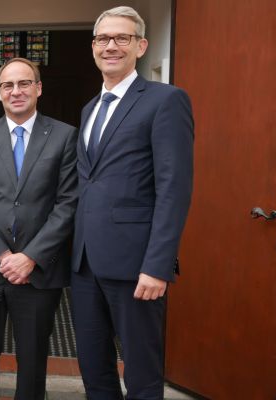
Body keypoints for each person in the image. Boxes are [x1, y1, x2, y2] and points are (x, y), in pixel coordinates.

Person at [71, 6, 194, 399]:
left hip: (137, 268)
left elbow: (174, 189)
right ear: (93, 47)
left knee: (141, 376)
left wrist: (157, 266)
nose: (111, 46)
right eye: (103, 39)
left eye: (122, 38)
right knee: (94, 369)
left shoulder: (166, 100)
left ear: (140, 46)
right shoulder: (89, 109)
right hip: (85, 264)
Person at [0, 57, 78, 400]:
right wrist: (2, 254)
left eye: (24, 83)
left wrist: (30, 257)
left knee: (33, 359)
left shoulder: (65, 136)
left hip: (39, 273)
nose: (16, 91)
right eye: (8, 85)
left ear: (38, 88)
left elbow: (67, 204)